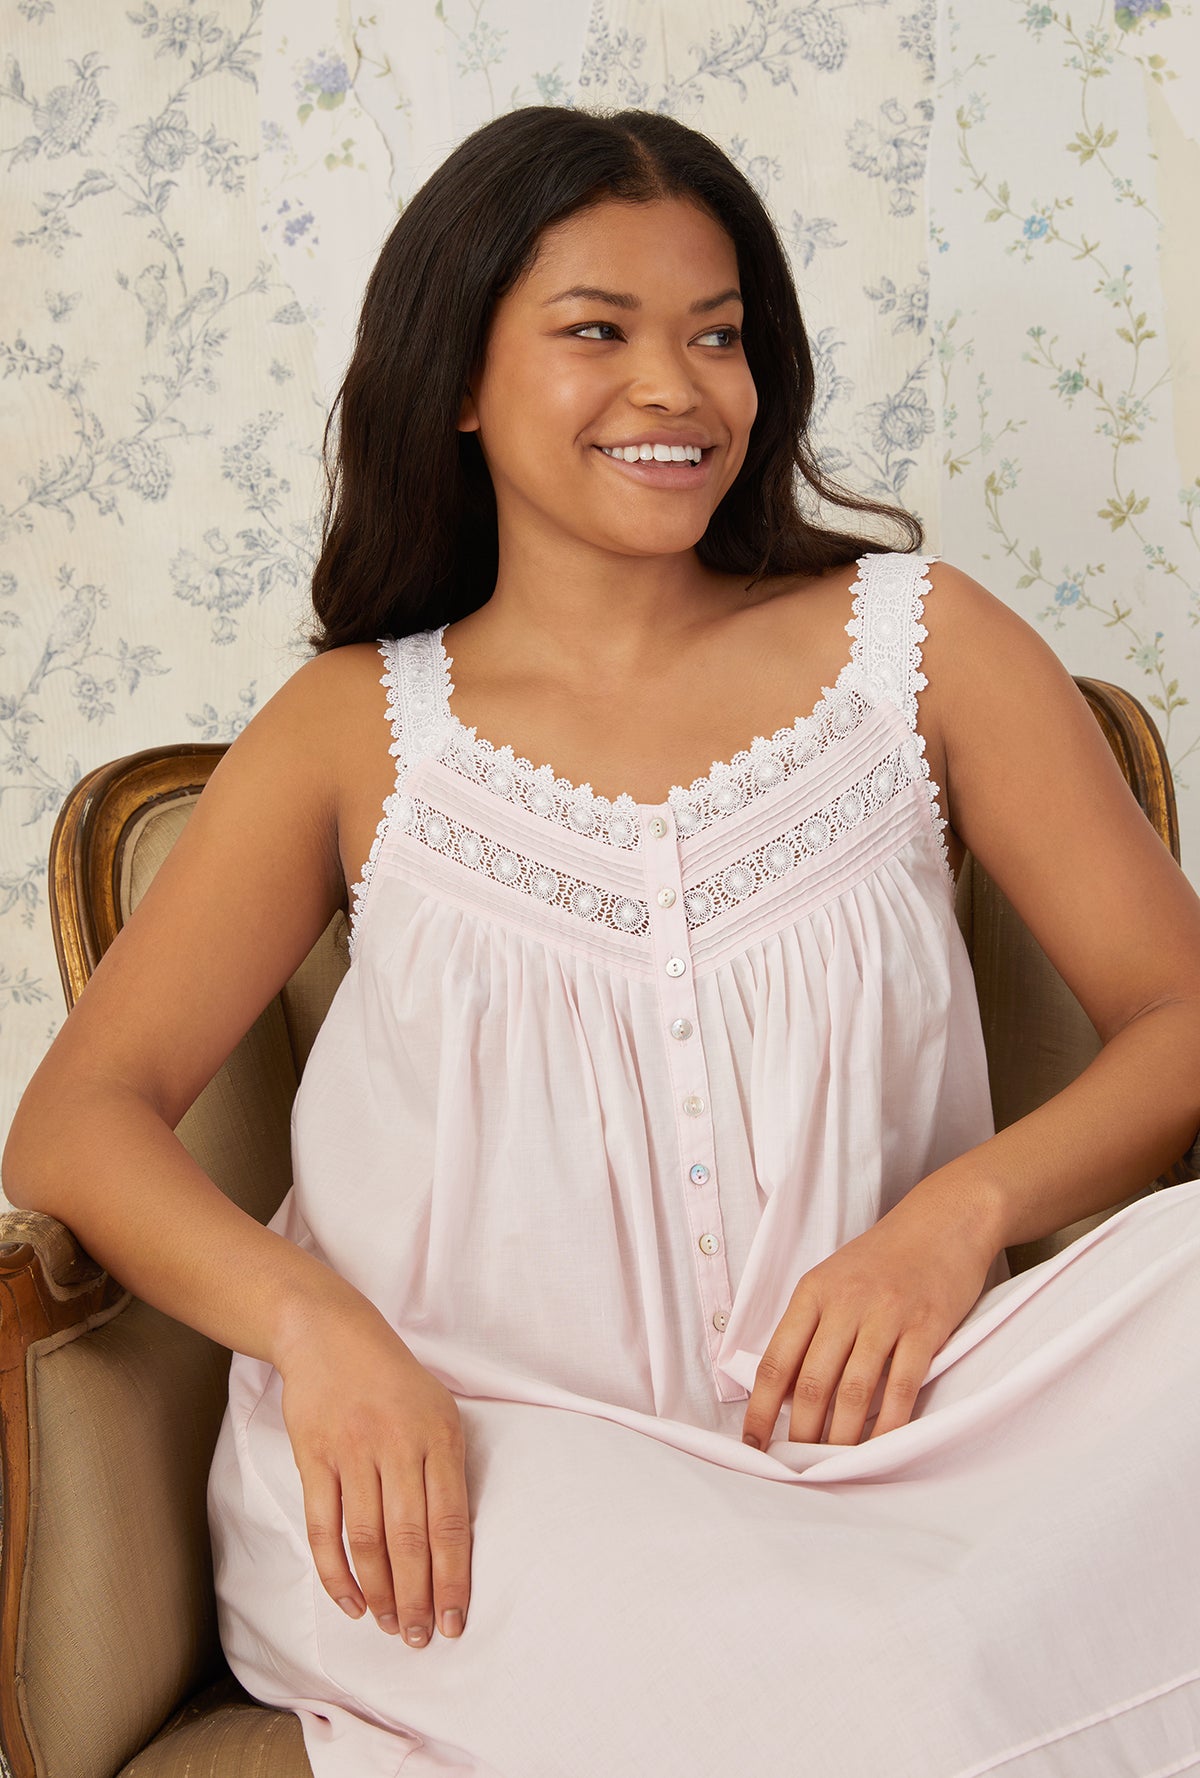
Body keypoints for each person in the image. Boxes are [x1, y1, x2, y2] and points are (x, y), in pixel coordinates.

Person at [5, 103, 1200, 1778]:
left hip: (891, 1433)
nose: (677, 387)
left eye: (718, 334)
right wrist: (320, 1333)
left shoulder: (920, 650)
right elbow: (77, 1116)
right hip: (461, 1467)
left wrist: (958, 1217)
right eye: (598, 332)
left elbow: (1184, 1014)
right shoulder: (356, 729)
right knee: (888, 1692)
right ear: (465, 380)